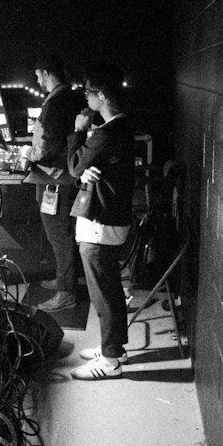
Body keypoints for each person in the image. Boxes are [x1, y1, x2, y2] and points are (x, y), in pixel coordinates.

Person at [66, 63, 136, 378]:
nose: (85, 98)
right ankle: (113, 346)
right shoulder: (122, 128)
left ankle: (110, 361)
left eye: (88, 93)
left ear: (102, 95)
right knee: (111, 290)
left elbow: (75, 167)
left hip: (101, 224)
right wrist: (93, 169)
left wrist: (79, 132)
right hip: (114, 220)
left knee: (103, 293)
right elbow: (91, 167)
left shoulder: (104, 134)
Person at [26, 54, 84, 311]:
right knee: (65, 235)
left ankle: (66, 292)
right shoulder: (72, 97)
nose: (36, 79)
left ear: (47, 73)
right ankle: (65, 279)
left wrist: (28, 156)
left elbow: (46, 145)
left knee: (58, 236)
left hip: (54, 180)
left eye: (38, 74)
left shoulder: (54, 102)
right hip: (68, 177)